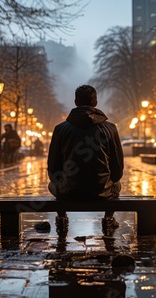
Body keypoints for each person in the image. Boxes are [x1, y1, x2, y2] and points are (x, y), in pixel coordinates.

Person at [47, 84, 124, 236]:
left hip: (69, 191)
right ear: (95, 103)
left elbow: (53, 169)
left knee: (53, 184)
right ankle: (108, 218)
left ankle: (61, 218)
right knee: (117, 184)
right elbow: (117, 172)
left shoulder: (60, 129)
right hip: (102, 191)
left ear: (75, 102)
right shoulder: (110, 128)